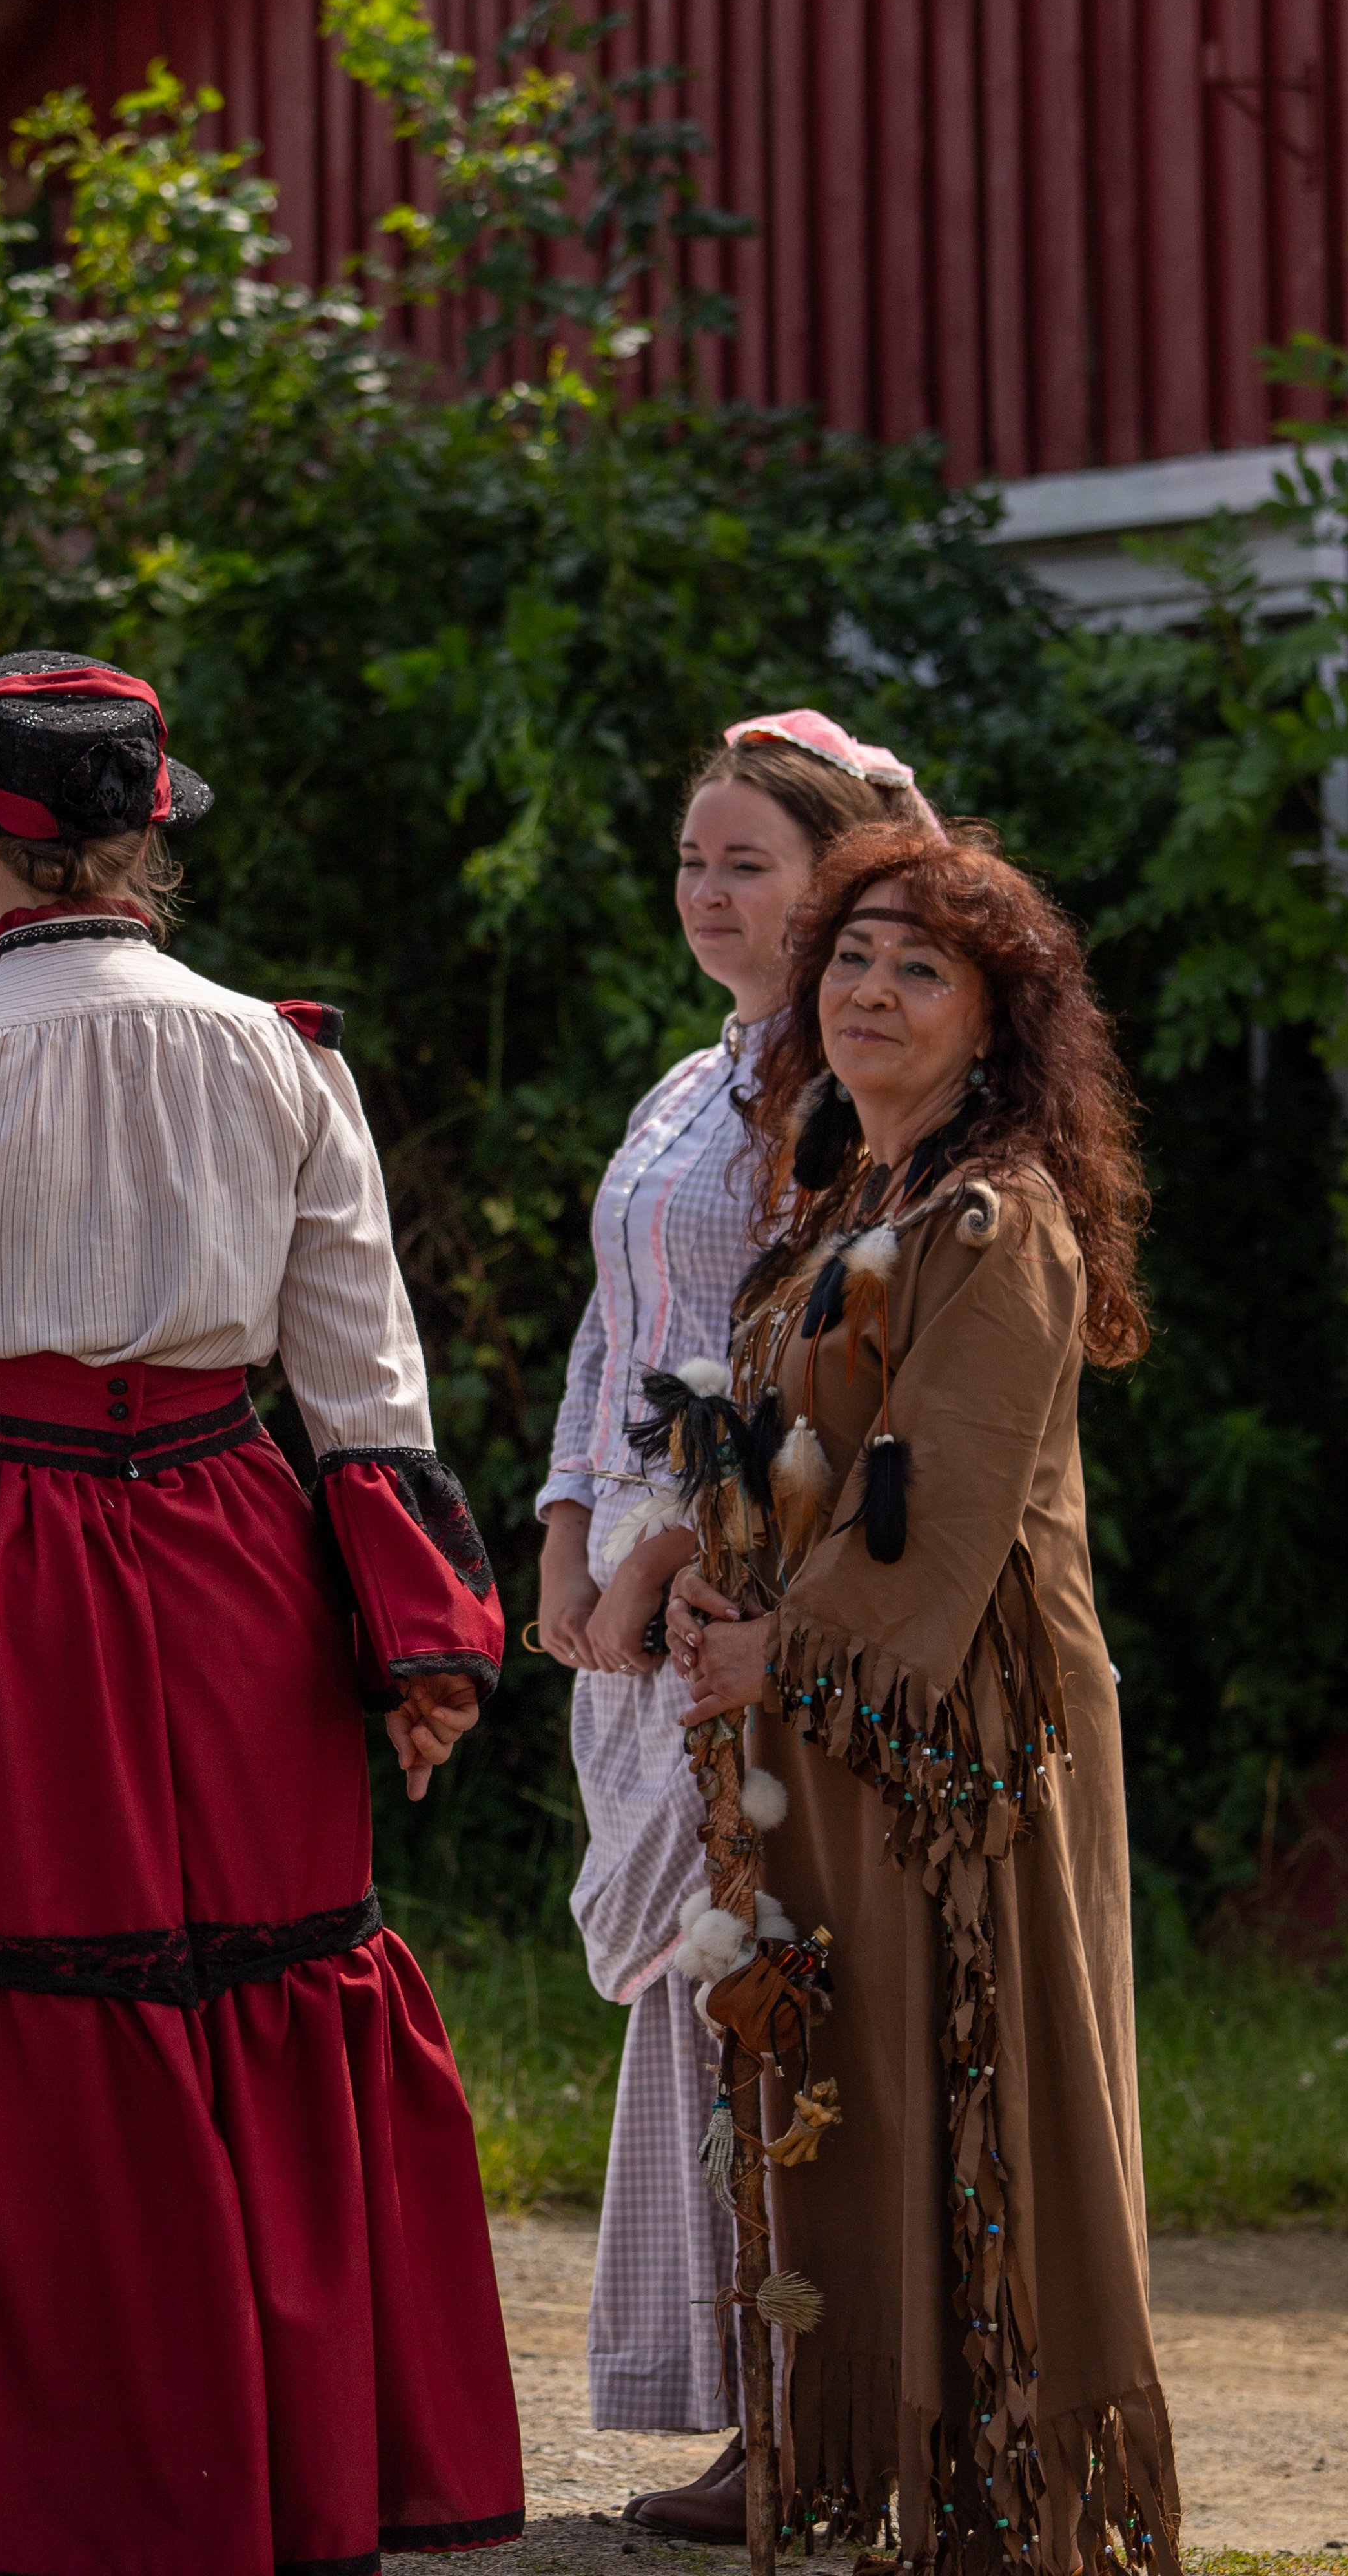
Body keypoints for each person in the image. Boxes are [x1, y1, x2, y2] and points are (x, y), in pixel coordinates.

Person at [0, 652, 526, 2574]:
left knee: (15, 1991)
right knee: (264, 1973)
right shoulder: (287, 1054)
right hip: (233, 1551)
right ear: (146, 846)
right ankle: (276, 2473)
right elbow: (369, 1391)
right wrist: (418, 1649)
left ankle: (36, 2485)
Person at [662, 823, 1176, 2572]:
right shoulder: (847, 1197)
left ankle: (1007, 2503)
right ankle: (876, 2469)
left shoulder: (1000, 1217)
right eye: (853, 959)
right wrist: (713, 1583)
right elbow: (799, 1455)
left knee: (983, 2088)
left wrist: (775, 1644)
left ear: (994, 1021)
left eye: (922, 968)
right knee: (861, 2083)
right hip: (836, 1709)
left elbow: (942, 1510)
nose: (872, 992)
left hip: (971, 1736)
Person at [533, 714, 931, 2484]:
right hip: (619, 1570)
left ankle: (803, 2410)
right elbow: (613, 1330)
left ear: (829, 880)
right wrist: (557, 1525)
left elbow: (806, 1368)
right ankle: (744, 2405)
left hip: (733, 1573)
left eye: (745, 862)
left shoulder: (845, 1106)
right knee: (688, 1984)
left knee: (750, 1969)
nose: (707, 889)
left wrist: (673, 1550)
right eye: (692, 858)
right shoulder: (688, 1086)